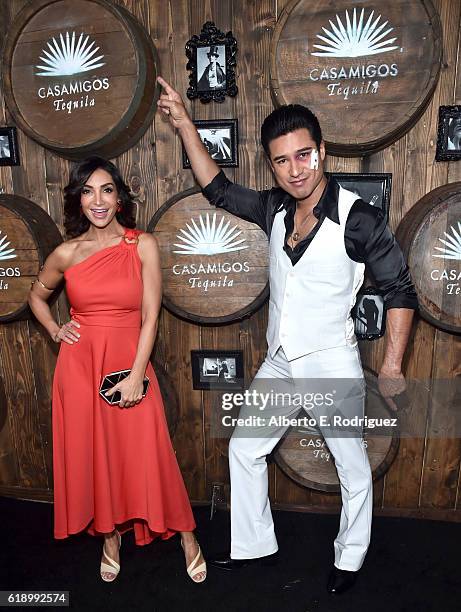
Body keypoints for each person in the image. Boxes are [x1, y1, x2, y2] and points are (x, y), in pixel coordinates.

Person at [157, 76, 417, 595]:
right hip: (280, 360)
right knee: (245, 449)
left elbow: (401, 290)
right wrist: (186, 125)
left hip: (329, 360)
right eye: (281, 161)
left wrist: (390, 366)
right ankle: (255, 547)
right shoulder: (274, 207)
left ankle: (350, 556)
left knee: (351, 466)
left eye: (303, 156)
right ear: (271, 164)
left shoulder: (358, 219)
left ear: (321, 152)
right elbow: (218, 189)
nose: (295, 170)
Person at [28, 157, 206, 584]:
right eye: (87, 191)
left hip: (129, 365)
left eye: (106, 189)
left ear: (119, 196)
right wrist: (56, 329)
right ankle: (109, 538)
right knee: (96, 454)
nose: (98, 200)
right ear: (78, 200)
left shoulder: (140, 244)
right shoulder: (66, 254)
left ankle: (187, 536)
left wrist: (135, 374)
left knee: (151, 451)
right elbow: (37, 298)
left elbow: (151, 316)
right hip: (80, 369)